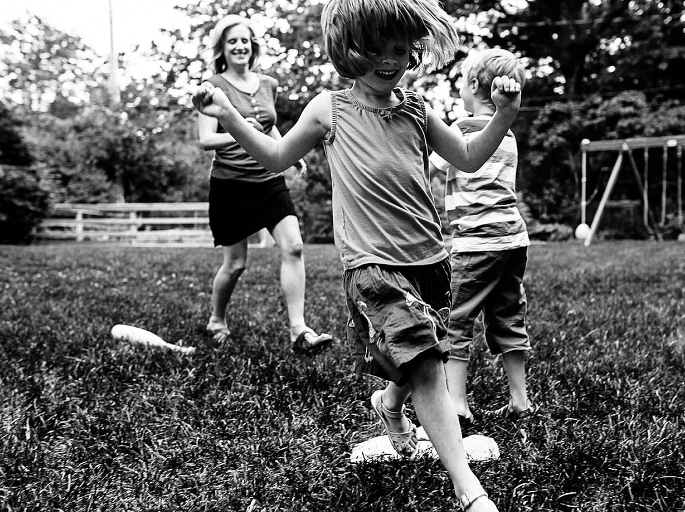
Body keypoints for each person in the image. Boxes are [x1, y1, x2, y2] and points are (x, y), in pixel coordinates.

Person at [192, 1, 521, 508]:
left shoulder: (417, 109)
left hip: (430, 260)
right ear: (348, 49)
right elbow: (277, 157)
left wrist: (504, 115)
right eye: (374, 48)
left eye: (399, 48)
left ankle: (390, 405)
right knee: (427, 363)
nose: (389, 59)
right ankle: (468, 491)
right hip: (372, 264)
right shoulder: (330, 109)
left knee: (417, 357)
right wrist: (231, 117)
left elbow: (471, 158)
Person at [197, 14, 333, 353]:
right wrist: (240, 130)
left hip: (268, 178)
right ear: (222, 49)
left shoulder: (267, 83)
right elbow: (205, 140)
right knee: (236, 264)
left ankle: (298, 330)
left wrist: (289, 149)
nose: (240, 46)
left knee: (294, 247)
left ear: (253, 46)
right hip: (231, 183)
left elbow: (268, 126)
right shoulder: (211, 86)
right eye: (232, 41)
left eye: (245, 40)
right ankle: (217, 318)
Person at [429, 49, 536, 430]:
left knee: (456, 319)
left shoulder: (463, 129)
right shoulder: (507, 134)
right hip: (513, 240)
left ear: (474, 85)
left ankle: (456, 403)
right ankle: (520, 400)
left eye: (462, 83)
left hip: (476, 243)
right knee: (508, 315)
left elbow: (431, 167)